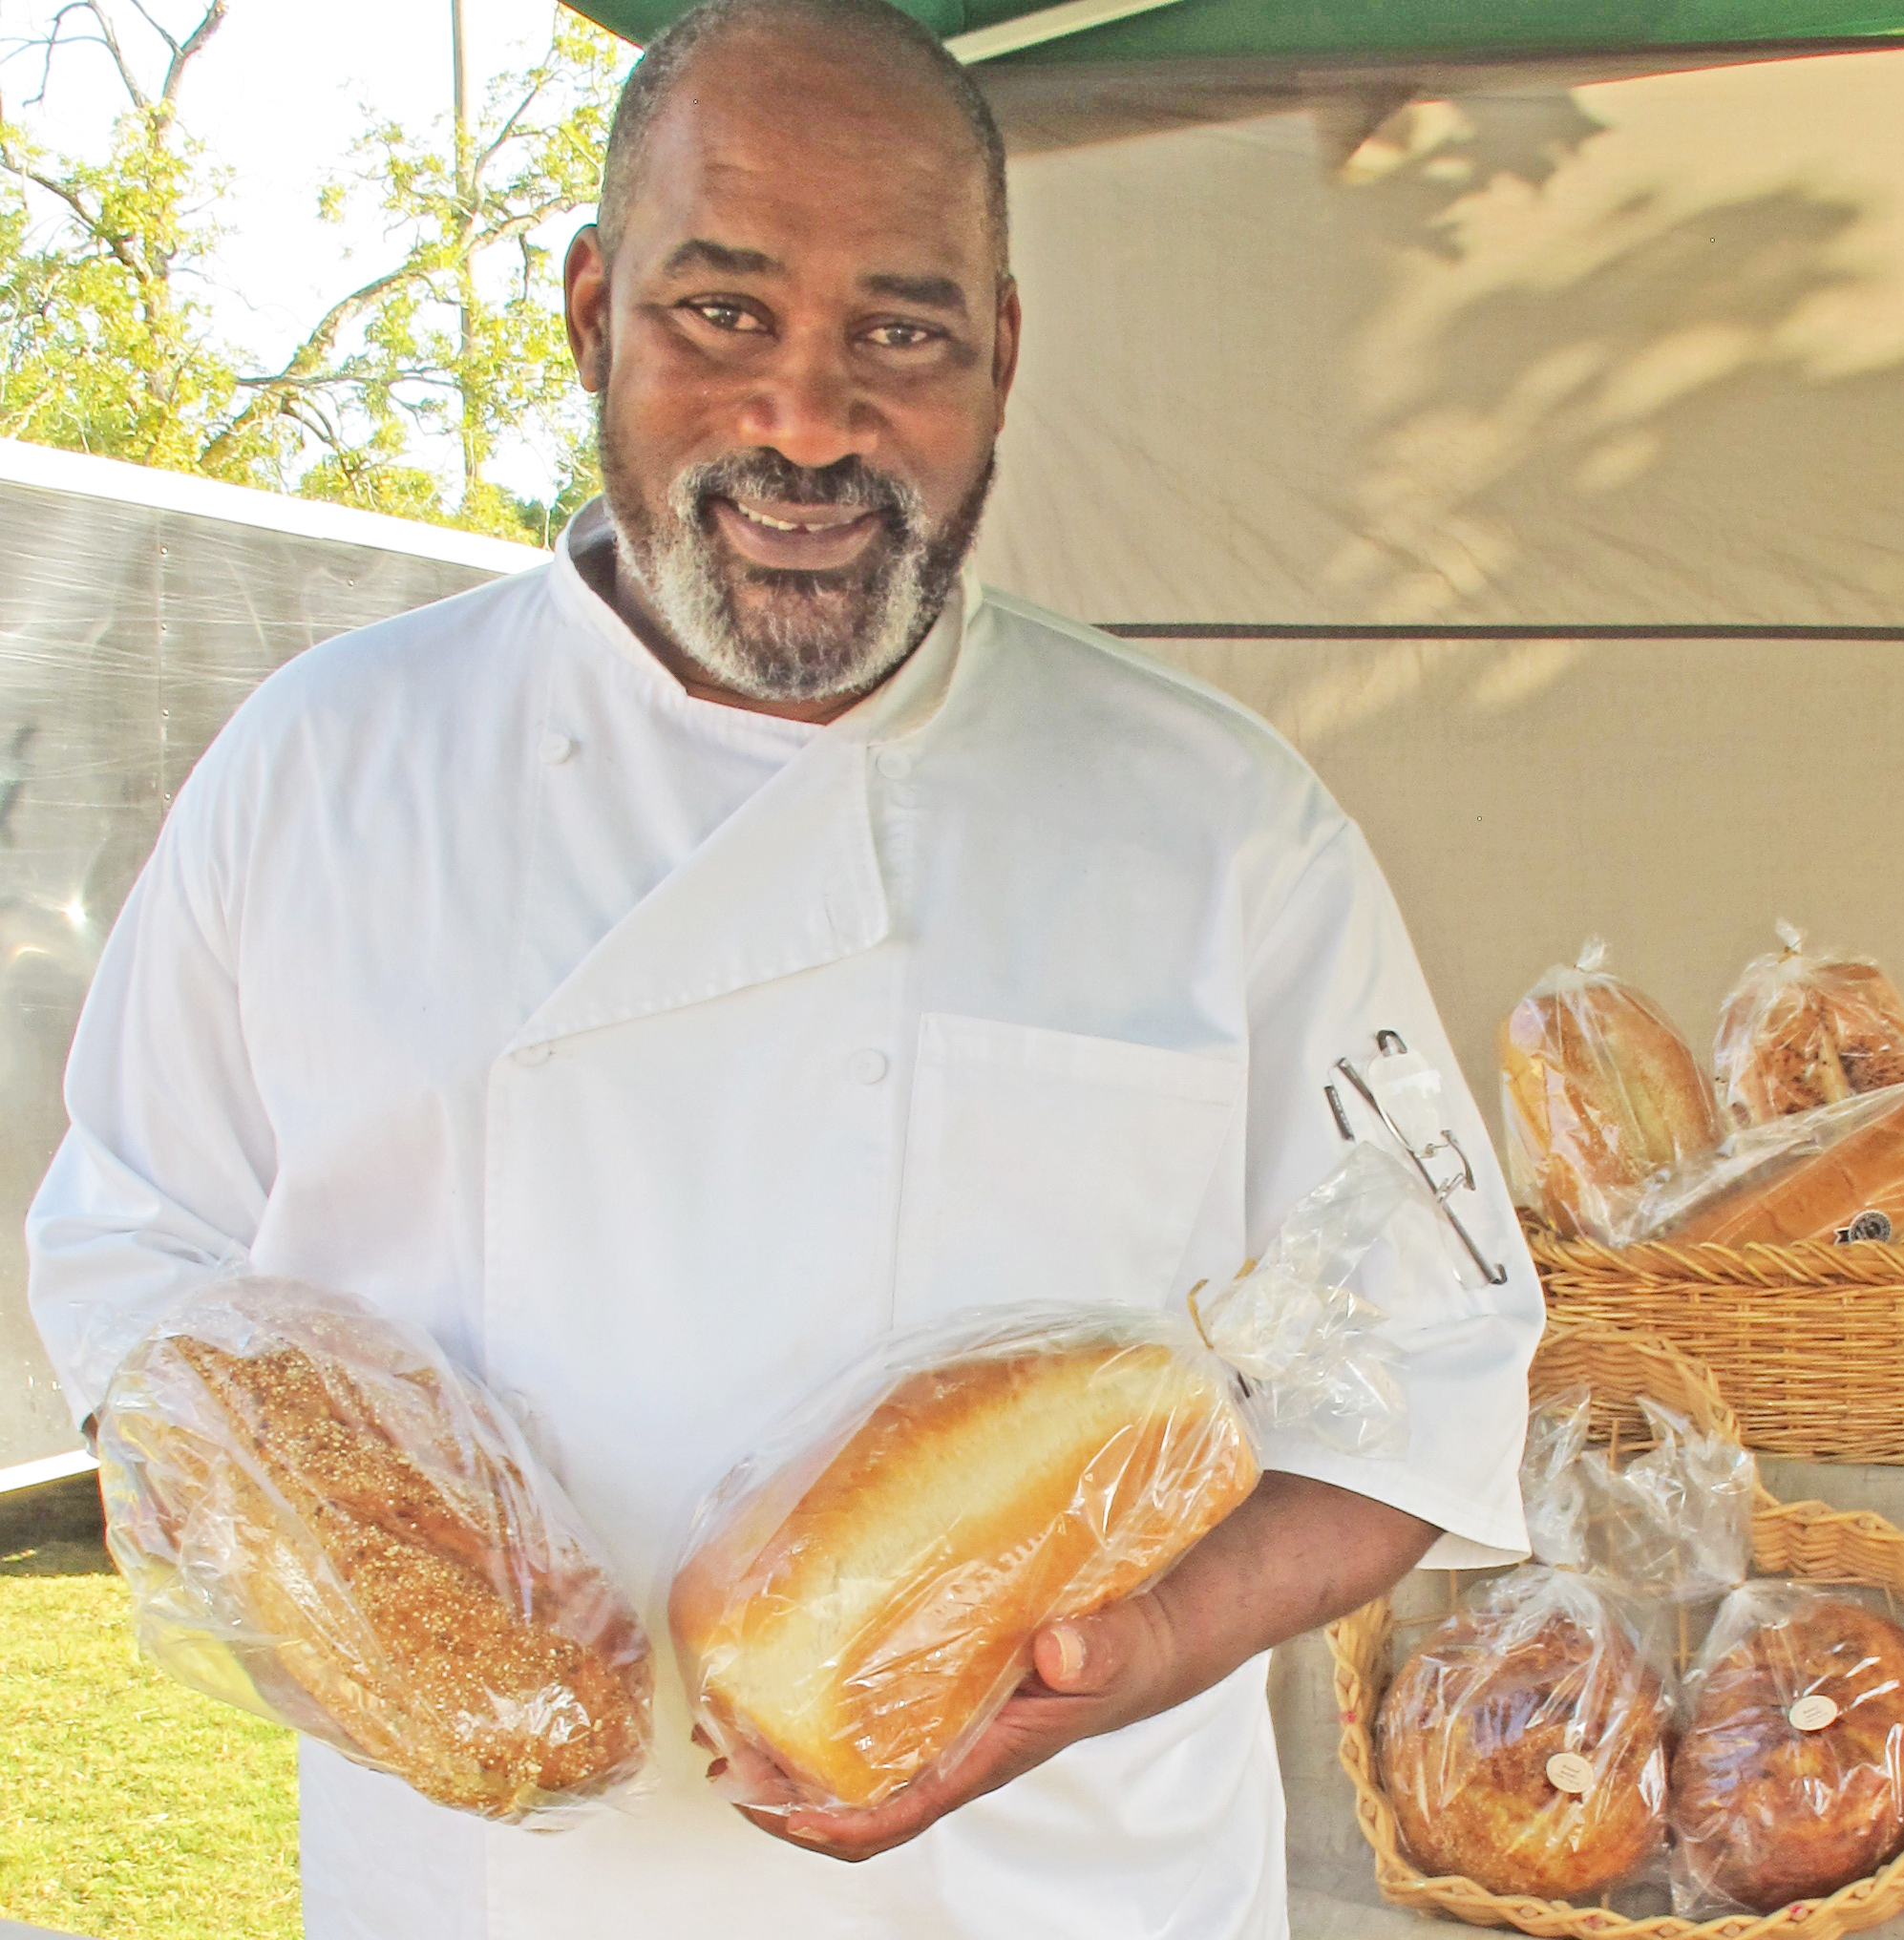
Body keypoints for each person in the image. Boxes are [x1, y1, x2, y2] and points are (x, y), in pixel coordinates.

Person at [27, 2, 1544, 1934]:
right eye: (721, 314)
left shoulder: (1221, 818)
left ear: (1003, 353)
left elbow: (1432, 1368)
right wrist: (316, 1581)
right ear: (593, 313)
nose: (809, 423)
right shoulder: (328, 765)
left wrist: (1147, 1646)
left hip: (1056, 1893)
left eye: (901, 334)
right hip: (491, 1896)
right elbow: (134, 1256)